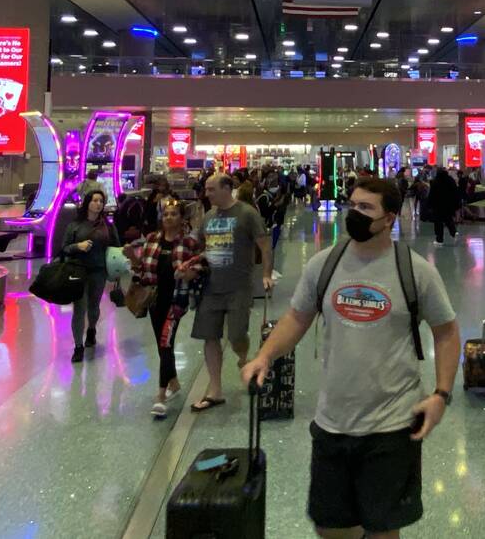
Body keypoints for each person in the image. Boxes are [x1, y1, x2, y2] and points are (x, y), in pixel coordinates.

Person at [242, 178, 461, 538]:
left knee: (382, 529)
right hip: (332, 421)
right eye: (352, 205)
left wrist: (441, 394)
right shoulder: (323, 265)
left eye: (366, 208)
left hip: (392, 426)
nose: (354, 213)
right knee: (331, 528)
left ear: (389, 218)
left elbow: (447, 331)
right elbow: (297, 317)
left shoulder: (416, 271)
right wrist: (265, 356)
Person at [181, 174, 274, 411]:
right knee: (210, 336)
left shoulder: (247, 214)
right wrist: (191, 263)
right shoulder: (209, 217)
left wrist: (266, 274)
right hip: (211, 287)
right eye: (207, 190)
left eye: (212, 190)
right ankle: (215, 389)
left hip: (238, 287)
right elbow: (200, 246)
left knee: (236, 336)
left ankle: (243, 357)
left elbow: (264, 245)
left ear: (227, 189)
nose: (207, 194)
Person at [132, 201, 200, 418]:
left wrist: (190, 273)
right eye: (166, 214)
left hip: (175, 301)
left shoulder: (188, 243)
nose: (169, 217)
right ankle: (174, 382)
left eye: (174, 214)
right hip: (154, 299)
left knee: (165, 342)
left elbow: (200, 266)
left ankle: (161, 396)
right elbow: (141, 268)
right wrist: (131, 256)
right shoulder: (152, 239)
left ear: (181, 218)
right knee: (163, 346)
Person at [62, 190, 118, 363]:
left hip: (98, 272)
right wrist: (77, 246)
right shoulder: (75, 225)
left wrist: (117, 271)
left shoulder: (107, 226)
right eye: (95, 200)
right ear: (87, 203)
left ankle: (92, 329)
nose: (98, 204)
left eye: (101, 201)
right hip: (78, 271)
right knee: (79, 309)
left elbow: (116, 247)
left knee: (93, 307)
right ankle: (78, 346)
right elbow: (64, 247)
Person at [427, 166, 460, 245]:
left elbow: (432, 194)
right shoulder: (450, 180)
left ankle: (439, 239)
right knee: (448, 219)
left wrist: (430, 205)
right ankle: (454, 232)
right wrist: (456, 204)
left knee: (438, 222)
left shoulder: (435, 181)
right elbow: (455, 192)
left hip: (438, 205)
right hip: (448, 205)